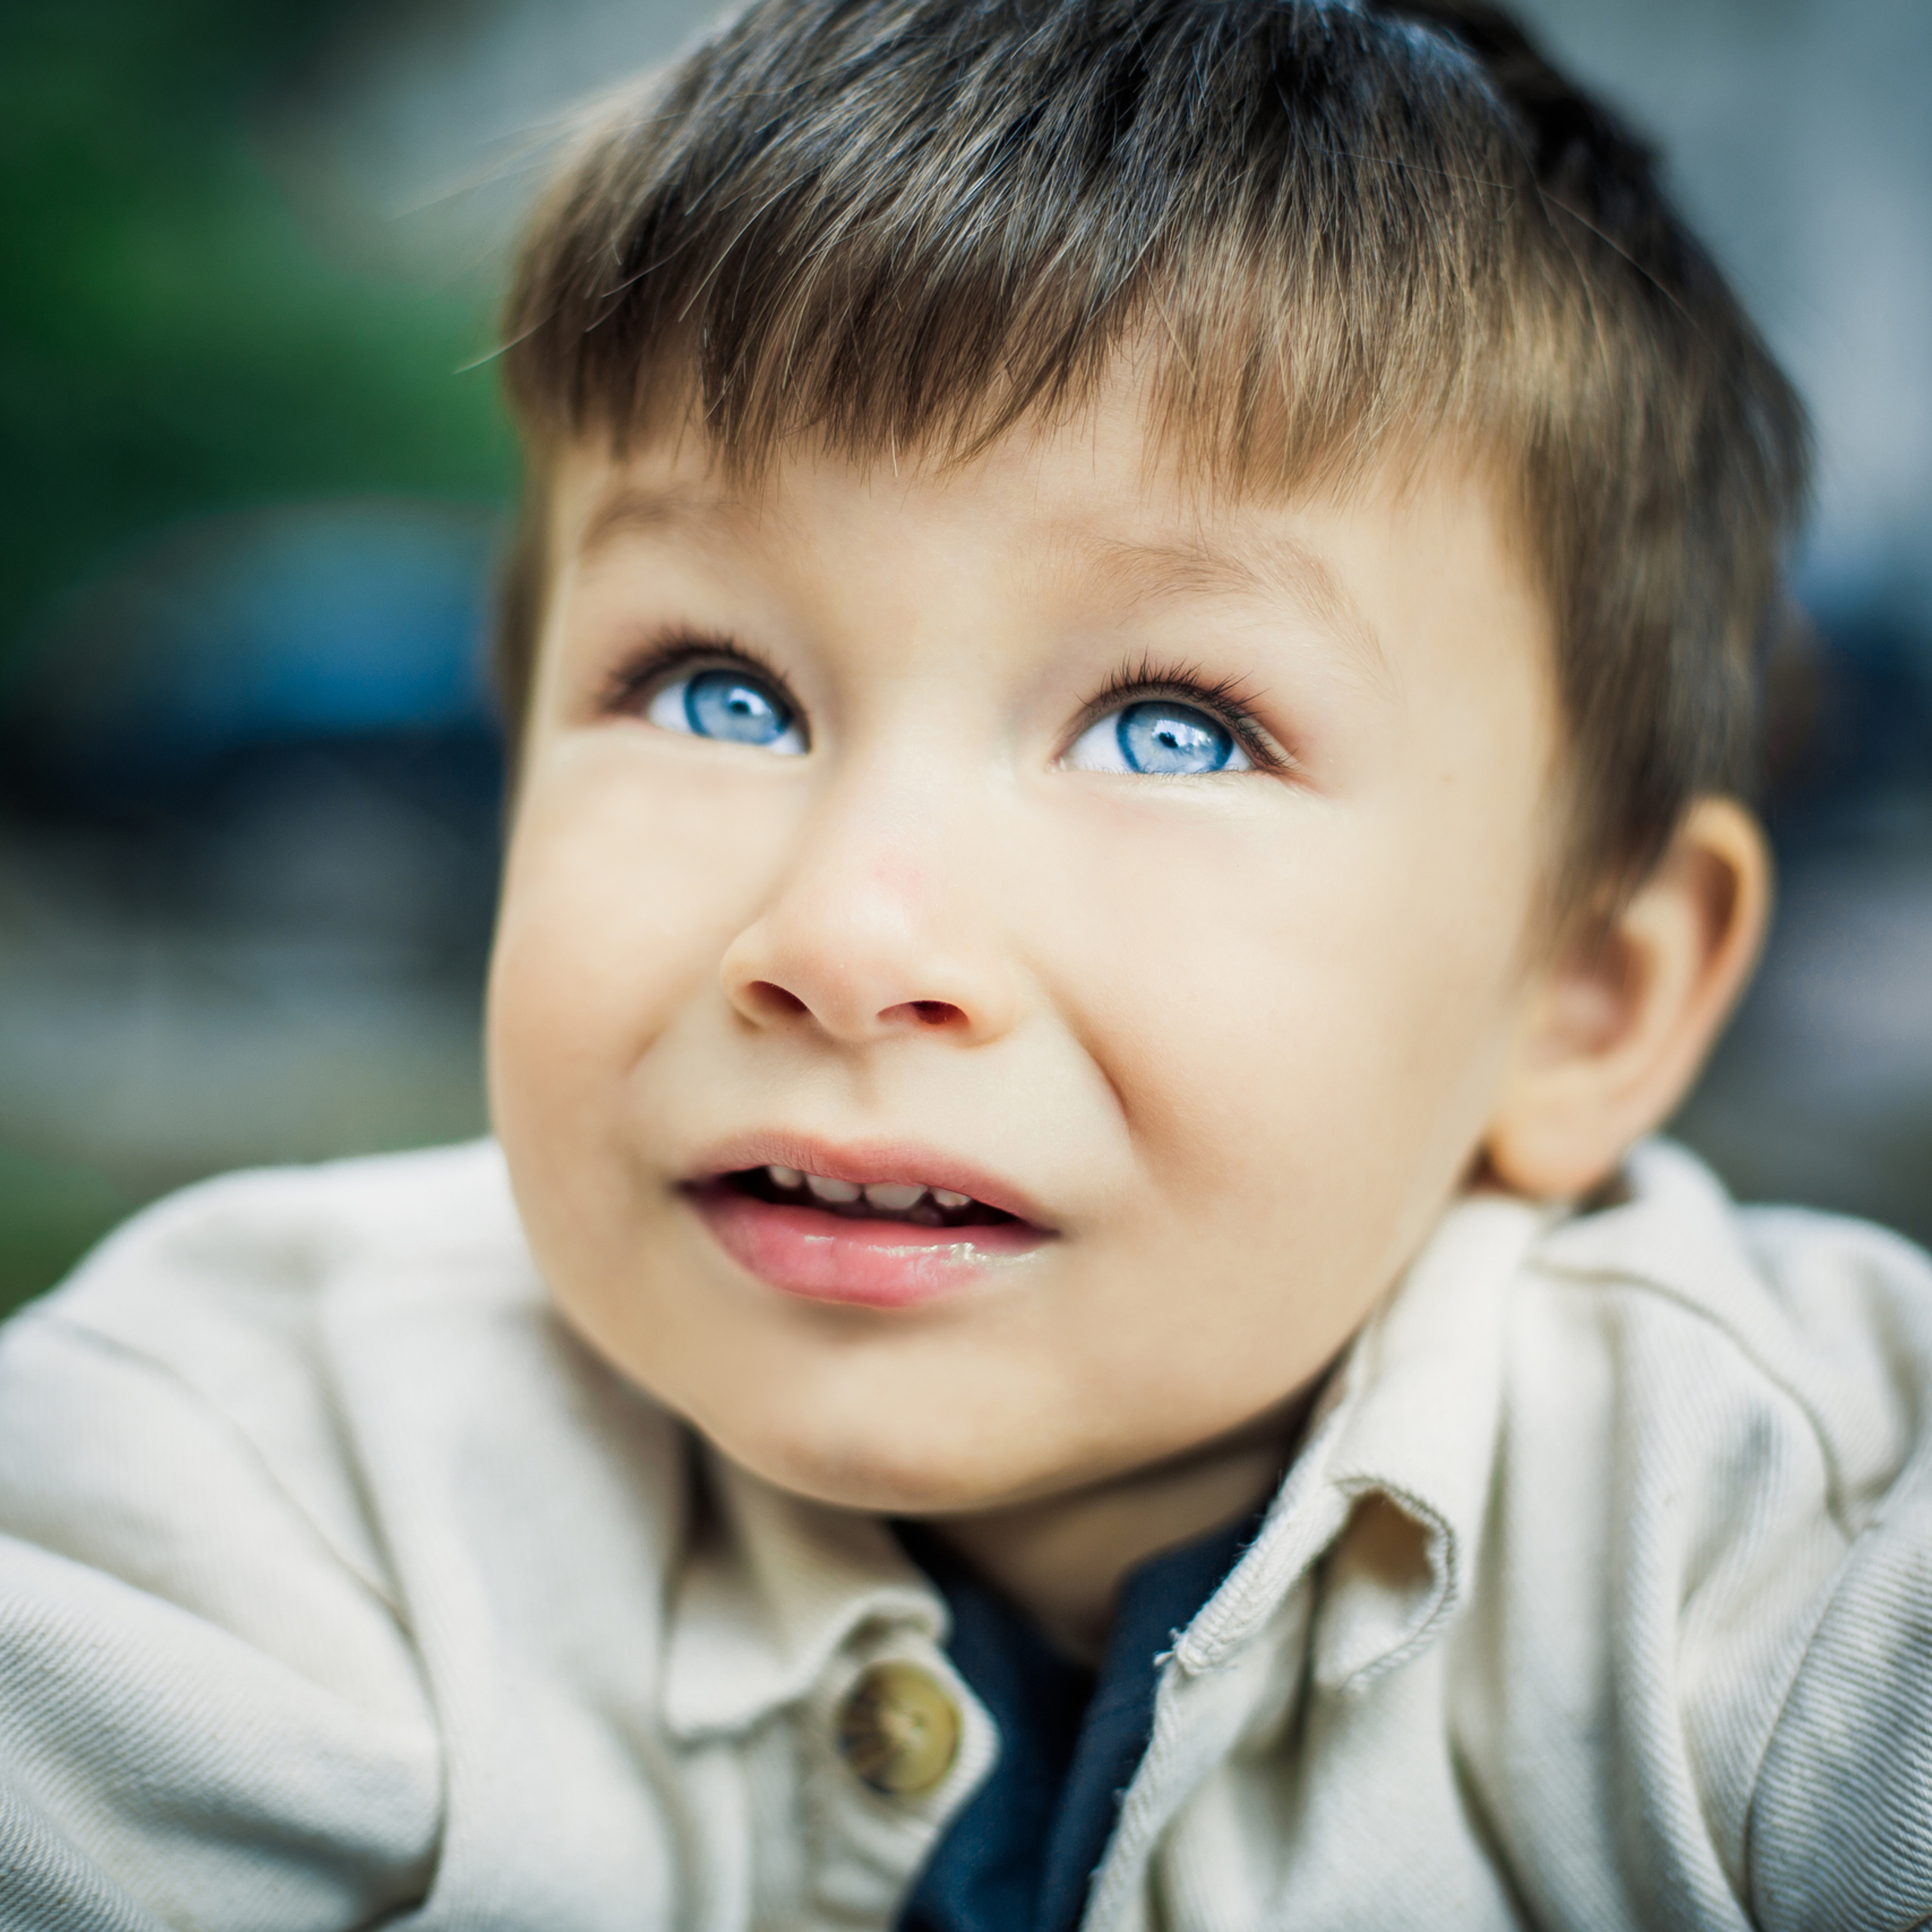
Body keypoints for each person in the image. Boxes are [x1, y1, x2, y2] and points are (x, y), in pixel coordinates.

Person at [4, 0, 1928, 1925]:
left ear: (1587, 993)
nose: (845, 940)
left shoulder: (1781, 1559)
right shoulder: (245, 1465)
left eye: (1171, 727)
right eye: (716, 690)